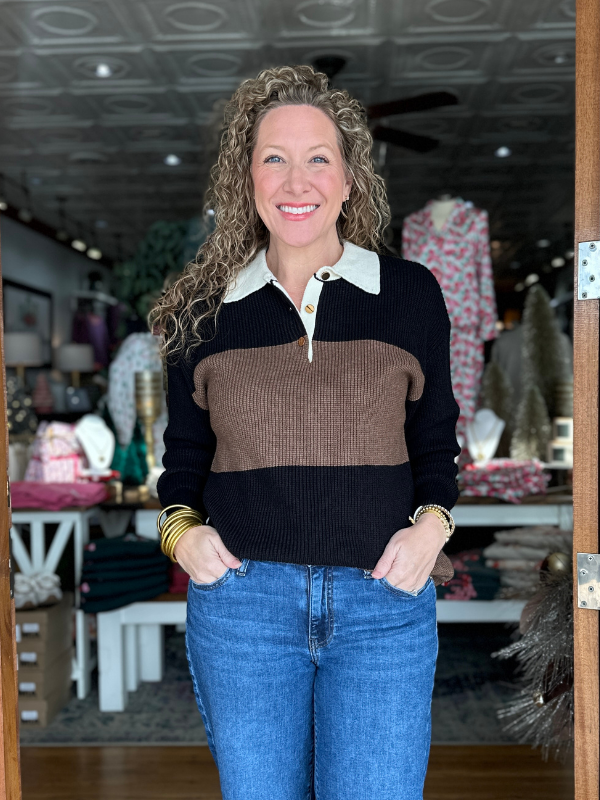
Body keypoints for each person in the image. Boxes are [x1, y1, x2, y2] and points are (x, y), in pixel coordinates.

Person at [151, 64, 461, 800]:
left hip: (381, 604)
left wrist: (434, 528)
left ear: (351, 179)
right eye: (275, 158)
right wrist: (181, 536)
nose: (298, 181)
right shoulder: (201, 309)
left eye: (319, 157)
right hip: (244, 609)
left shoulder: (409, 293)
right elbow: (183, 461)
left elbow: (437, 441)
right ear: (246, 177)